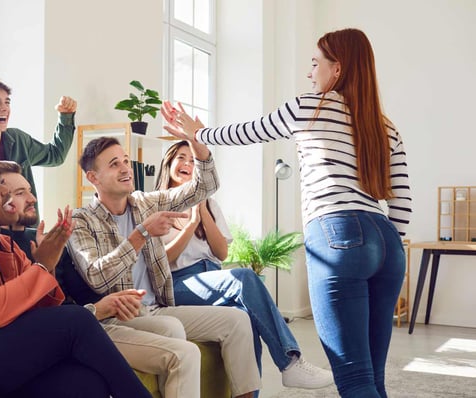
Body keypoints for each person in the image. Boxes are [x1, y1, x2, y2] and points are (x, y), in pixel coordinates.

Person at [161, 28, 411, 398]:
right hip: (388, 246)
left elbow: (250, 131)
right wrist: (384, 244)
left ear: (337, 69)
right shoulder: (386, 127)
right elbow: (402, 206)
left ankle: (296, 367)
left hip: (338, 234)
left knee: (355, 380)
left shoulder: (310, 106)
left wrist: (200, 134)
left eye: (315, 64)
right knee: (374, 377)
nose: (311, 73)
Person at [0, 142, 151, 398]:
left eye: (1, 182)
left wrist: (49, 263)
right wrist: (41, 266)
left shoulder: (6, 245)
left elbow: (44, 306)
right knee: (77, 320)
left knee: (87, 384)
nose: (6, 192)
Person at [0, 159, 205, 398]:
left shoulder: (45, 236)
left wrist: (112, 302)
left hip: (87, 319)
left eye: (29, 190)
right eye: (21, 193)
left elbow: (80, 290)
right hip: (70, 331)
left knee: (170, 327)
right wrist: (94, 306)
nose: (32, 198)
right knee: (184, 353)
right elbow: (37, 317)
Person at [68, 136, 262, 398]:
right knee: (174, 332)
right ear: (93, 177)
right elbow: (97, 277)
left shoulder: (146, 202)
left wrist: (197, 143)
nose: (126, 168)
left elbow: (205, 186)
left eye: (126, 160)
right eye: (114, 164)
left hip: (157, 308)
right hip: (119, 318)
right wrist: (141, 234)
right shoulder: (81, 220)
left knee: (238, 321)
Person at [156, 140, 333, 390]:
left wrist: (203, 211)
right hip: (179, 283)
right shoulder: (155, 205)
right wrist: (190, 224)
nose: (188, 164)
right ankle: (290, 362)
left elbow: (221, 252)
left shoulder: (210, 205)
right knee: (244, 277)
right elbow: (163, 260)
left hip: (212, 278)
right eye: (181, 158)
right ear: (169, 164)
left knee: (247, 321)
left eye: (193, 161)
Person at [0, 78, 77, 224]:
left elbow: (55, 155)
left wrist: (65, 117)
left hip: (22, 232)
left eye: (7, 102)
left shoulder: (18, 139)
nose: (4, 108)